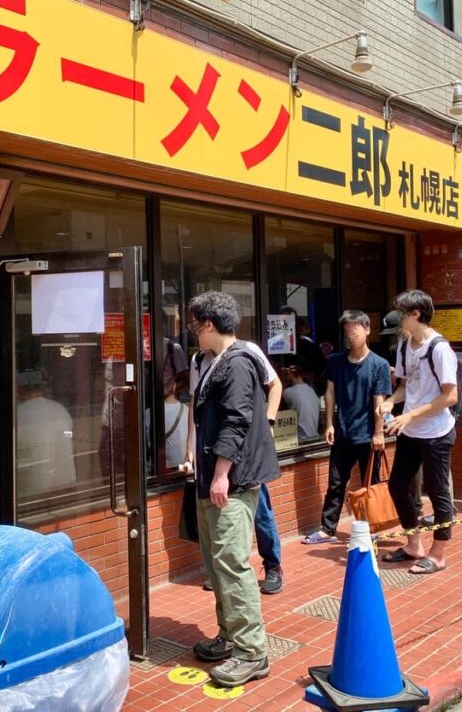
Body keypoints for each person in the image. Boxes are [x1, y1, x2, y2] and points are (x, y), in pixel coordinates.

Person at [187, 291, 278, 688]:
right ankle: (229, 635)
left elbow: (238, 420)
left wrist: (221, 473)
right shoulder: (212, 362)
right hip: (213, 478)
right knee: (217, 561)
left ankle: (251, 652)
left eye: (194, 323)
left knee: (231, 563)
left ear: (208, 324)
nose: (192, 331)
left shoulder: (238, 362)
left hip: (232, 481)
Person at [187, 336, 286, 595]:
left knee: (261, 511)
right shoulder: (199, 360)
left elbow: (274, 385)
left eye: (197, 324)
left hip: (245, 455)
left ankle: (272, 565)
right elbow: (194, 407)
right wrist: (190, 448)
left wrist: (269, 422)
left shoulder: (245, 352)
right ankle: (222, 574)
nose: (195, 331)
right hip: (212, 454)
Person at [379, 290, 458, 575]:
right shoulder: (403, 347)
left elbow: (450, 397)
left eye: (402, 314)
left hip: (437, 431)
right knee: (398, 486)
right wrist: (391, 401)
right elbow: (405, 386)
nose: (399, 319)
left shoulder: (438, 348)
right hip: (411, 430)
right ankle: (414, 545)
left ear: (415, 314)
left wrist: (410, 414)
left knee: (438, 492)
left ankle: (438, 554)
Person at [303, 310, 391, 544]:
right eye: (347, 330)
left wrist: (379, 432)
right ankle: (328, 529)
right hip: (342, 433)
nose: (350, 334)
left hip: (368, 436)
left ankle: (372, 527)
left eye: (355, 329)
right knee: (336, 483)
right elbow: (329, 392)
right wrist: (329, 424)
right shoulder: (336, 361)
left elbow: (379, 400)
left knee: (370, 484)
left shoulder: (378, 364)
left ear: (367, 329)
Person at [15, 369, 76, 499]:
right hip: (64, 483)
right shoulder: (60, 409)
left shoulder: (17, 414)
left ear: (20, 390)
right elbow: (67, 440)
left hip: (30, 489)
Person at [281, 361, 321, 443]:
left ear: (291, 373)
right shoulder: (311, 390)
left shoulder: (288, 392)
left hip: (301, 439)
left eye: (286, 372)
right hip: (315, 437)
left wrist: (282, 382)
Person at [163, 378, 189, 470]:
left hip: (159, 470)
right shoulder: (188, 411)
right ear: (174, 386)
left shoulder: (148, 414)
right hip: (182, 468)